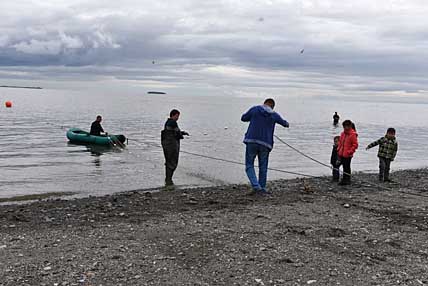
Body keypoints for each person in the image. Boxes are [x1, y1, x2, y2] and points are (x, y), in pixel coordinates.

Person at [241, 98, 289, 194]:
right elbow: (285, 124)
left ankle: (256, 186)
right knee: (263, 167)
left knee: (249, 165)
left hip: (252, 141)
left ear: (264, 103)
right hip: (266, 144)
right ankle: (261, 188)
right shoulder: (274, 115)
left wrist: (253, 119)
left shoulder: (255, 109)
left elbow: (243, 118)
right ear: (272, 106)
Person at [161, 109, 189, 187]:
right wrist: (182, 135)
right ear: (173, 115)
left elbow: (175, 131)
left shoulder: (168, 122)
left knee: (168, 162)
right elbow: (177, 132)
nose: (178, 118)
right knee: (172, 162)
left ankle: (168, 180)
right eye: (177, 116)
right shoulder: (173, 122)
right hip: (171, 146)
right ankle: (169, 180)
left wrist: (183, 133)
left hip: (166, 145)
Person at [336, 120, 358, 185]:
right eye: (345, 126)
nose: (346, 127)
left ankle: (347, 180)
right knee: (344, 167)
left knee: (347, 167)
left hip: (348, 154)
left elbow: (355, 145)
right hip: (341, 153)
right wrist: (338, 149)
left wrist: (350, 152)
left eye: (347, 126)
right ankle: (344, 179)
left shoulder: (353, 134)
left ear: (350, 126)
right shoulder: (343, 134)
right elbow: (340, 142)